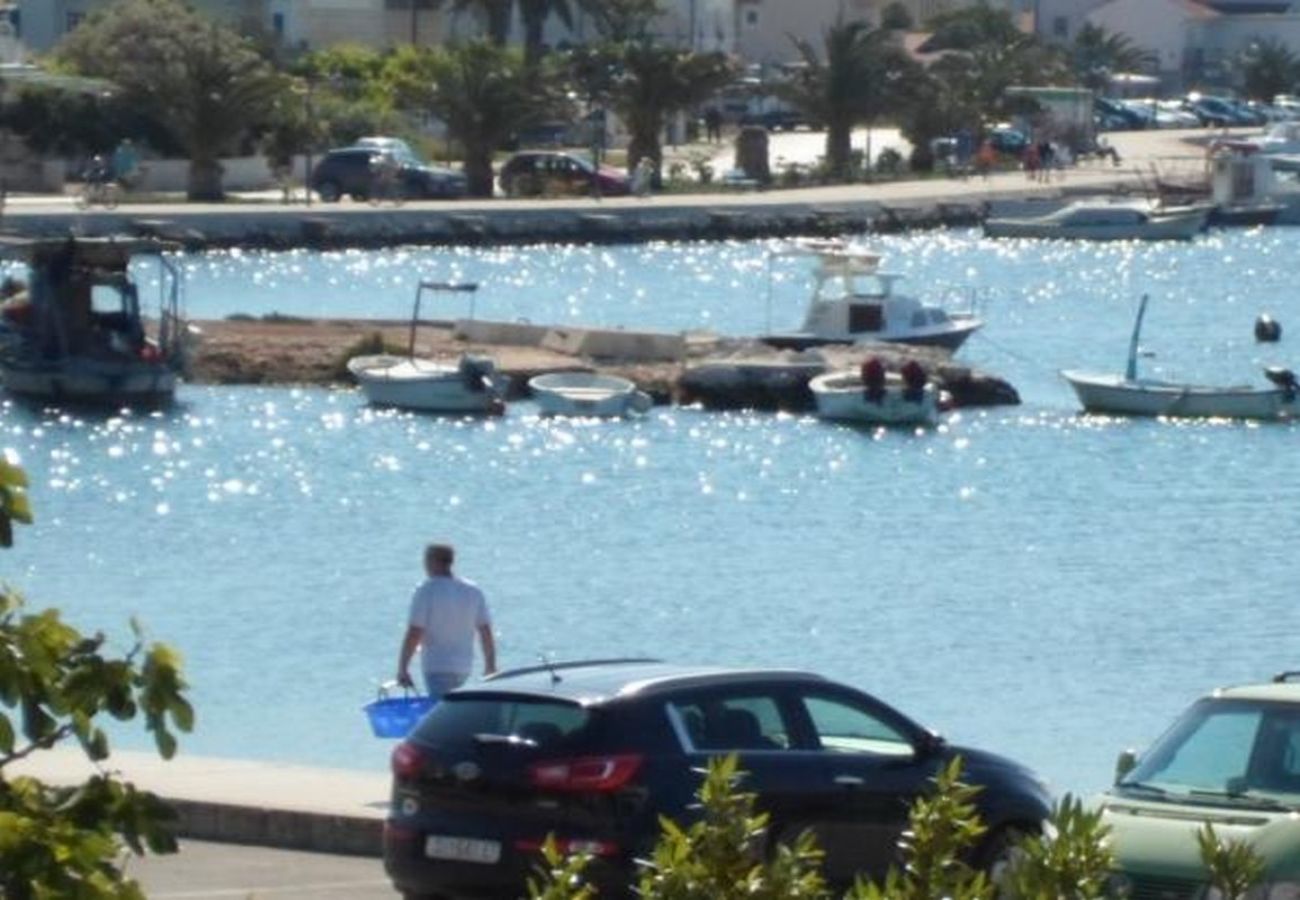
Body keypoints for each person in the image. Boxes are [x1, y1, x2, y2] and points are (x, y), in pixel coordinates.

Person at [396, 543, 496, 698]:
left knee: (441, 712)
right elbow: (485, 631)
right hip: (464, 665)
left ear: (433, 561)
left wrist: (403, 667)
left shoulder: (427, 590)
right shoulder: (472, 590)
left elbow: (415, 632)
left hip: (437, 665)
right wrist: (490, 665)